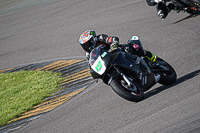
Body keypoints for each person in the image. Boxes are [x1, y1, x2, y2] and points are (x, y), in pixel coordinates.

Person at [79, 30, 157, 65]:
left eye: (88, 43)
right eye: (84, 45)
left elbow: (113, 39)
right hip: (108, 61)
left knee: (130, 48)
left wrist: (113, 44)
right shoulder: (88, 54)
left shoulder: (100, 38)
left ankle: (150, 56)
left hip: (117, 51)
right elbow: (92, 64)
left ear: (93, 39)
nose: (87, 47)